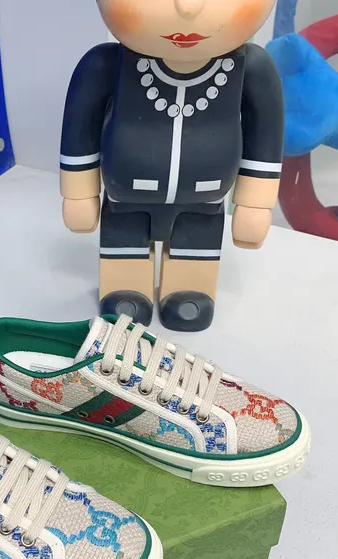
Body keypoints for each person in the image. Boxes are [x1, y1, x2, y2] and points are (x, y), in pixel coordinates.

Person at [61, 0, 283, 331]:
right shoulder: (105, 65)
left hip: (205, 200)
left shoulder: (251, 69)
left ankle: (188, 289)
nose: (188, 8)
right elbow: (80, 129)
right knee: (124, 243)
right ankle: (126, 289)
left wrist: (255, 202)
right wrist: (79, 192)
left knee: (195, 244)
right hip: (125, 197)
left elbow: (265, 137)